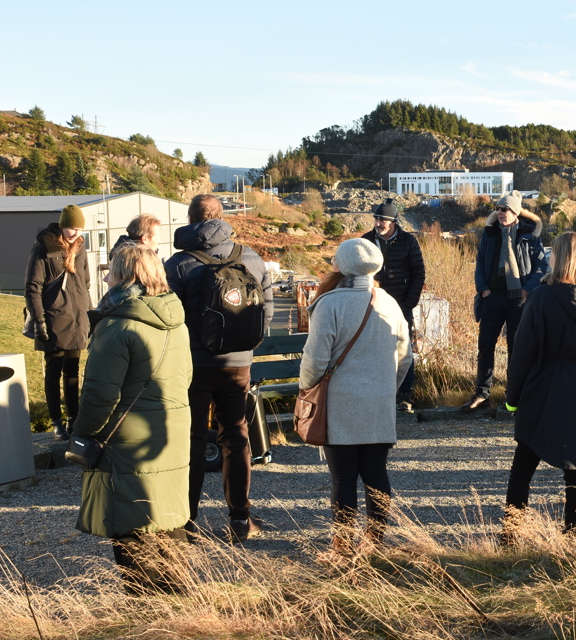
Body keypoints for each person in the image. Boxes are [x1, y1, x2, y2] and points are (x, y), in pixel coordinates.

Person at [74, 244, 193, 594]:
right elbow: (184, 377)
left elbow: (99, 395)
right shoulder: (177, 322)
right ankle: (183, 610)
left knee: (132, 529)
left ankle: (146, 615)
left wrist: (82, 435)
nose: (107, 277)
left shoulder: (116, 326)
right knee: (168, 521)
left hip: (127, 442)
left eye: (111, 271)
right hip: (170, 433)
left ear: (125, 276)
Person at [165, 194, 273, 542]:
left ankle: (187, 521)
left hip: (195, 365)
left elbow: (170, 318)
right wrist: (245, 347)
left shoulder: (179, 263)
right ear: (221, 217)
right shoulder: (251, 258)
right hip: (238, 365)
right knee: (236, 435)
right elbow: (266, 311)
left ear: (190, 218)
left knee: (192, 440)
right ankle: (240, 520)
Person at [300, 239, 412, 553]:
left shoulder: (330, 304)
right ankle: (375, 541)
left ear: (343, 266)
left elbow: (315, 361)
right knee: (376, 472)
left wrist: (306, 389)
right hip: (379, 402)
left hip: (340, 404)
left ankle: (342, 546)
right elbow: (405, 357)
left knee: (343, 477)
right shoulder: (388, 302)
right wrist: (388, 387)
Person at [503, 232, 576, 539]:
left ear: (560, 258)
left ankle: (510, 537)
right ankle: (572, 536)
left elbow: (522, 353)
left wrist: (512, 399)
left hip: (545, 385)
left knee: (523, 465)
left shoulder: (541, 297)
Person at [461, 191, 548, 412]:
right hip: (492, 297)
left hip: (519, 299)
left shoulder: (529, 235)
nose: (500, 213)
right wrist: (483, 290)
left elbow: (541, 267)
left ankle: (513, 396)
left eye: (505, 209)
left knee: (516, 348)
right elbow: (479, 263)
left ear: (515, 212)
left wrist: (527, 291)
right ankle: (482, 395)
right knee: (485, 346)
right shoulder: (489, 233)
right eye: (499, 209)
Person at [24, 204, 91, 440]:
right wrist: (39, 320)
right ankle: (56, 422)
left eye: (79, 228)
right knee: (53, 371)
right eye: (71, 227)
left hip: (76, 319)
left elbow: (85, 284)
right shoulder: (44, 247)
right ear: (63, 226)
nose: (75, 233)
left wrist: (89, 314)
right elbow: (33, 287)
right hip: (53, 319)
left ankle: (74, 418)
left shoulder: (81, 248)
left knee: (73, 370)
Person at [362, 198, 425, 412]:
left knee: (403, 350)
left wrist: (409, 303)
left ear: (394, 221)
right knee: (372, 350)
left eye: (384, 220)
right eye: (377, 218)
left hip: (401, 306)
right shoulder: (366, 241)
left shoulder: (408, 241)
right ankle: (378, 395)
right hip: (372, 306)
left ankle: (404, 396)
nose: (379, 223)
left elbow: (419, 272)